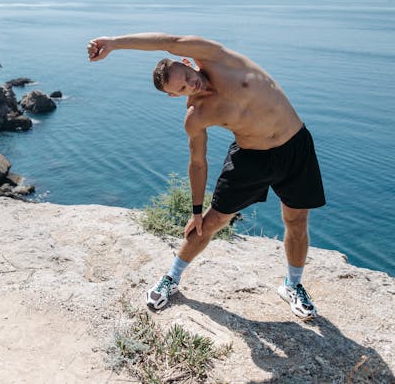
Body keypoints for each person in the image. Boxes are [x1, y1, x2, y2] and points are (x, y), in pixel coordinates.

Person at [87, 33, 325, 320]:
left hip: (295, 146)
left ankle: (293, 285)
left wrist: (113, 43)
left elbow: (169, 41)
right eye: (182, 87)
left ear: (188, 62)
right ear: (174, 95)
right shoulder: (196, 115)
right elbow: (197, 163)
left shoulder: (219, 59)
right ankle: (171, 278)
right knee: (209, 223)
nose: (191, 84)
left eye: (187, 75)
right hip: (251, 158)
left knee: (297, 220)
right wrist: (196, 210)